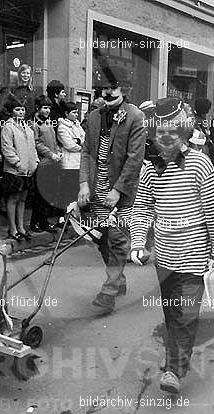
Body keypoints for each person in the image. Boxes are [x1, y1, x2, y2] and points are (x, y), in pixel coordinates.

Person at [130, 97, 214, 394]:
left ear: (183, 131)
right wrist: (137, 241)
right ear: (154, 134)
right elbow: (143, 208)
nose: (167, 136)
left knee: (185, 315)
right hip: (164, 257)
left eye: (173, 130)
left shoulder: (200, 163)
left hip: (195, 255)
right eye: (161, 131)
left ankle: (174, 370)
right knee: (172, 313)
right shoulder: (150, 168)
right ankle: (176, 359)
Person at [78, 65, 145, 314]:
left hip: (122, 192)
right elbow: (85, 152)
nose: (107, 93)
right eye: (104, 88)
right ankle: (120, 279)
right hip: (96, 188)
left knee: (116, 238)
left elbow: (135, 158)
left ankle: (109, 291)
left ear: (123, 89)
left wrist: (117, 190)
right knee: (102, 238)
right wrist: (84, 183)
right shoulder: (94, 116)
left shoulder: (135, 116)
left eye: (113, 88)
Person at [1, 95, 39, 240]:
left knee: (23, 199)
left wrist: (34, 162)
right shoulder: (8, 127)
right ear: (11, 112)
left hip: (28, 169)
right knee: (13, 198)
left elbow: (33, 147)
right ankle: (12, 228)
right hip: (14, 170)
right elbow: (7, 149)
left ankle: (21, 227)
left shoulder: (28, 128)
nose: (21, 112)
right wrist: (18, 164)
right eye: (17, 109)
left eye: (22, 109)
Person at [30, 95, 62, 233]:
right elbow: (36, 143)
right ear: (37, 108)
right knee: (39, 196)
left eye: (49, 108)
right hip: (41, 163)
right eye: (44, 108)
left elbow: (54, 141)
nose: (47, 110)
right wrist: (50, 154)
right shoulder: (34, 124)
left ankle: (43, 221)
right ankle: (35, 222)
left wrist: (58, 151)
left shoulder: (48, 122)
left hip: (51, 162)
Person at [57, 101, 86, 211]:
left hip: (79, 162)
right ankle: (64, 216)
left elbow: (85, 138)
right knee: (67, 191)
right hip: (69, 163)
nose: (76, 115)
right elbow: (69, 145)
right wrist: (82, 146)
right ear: (66, 113)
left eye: (77, 112)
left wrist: (78, 140)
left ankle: (74, 215)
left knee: (76, 191)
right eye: (74, 112)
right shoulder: (62, 128)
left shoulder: (77, 125)